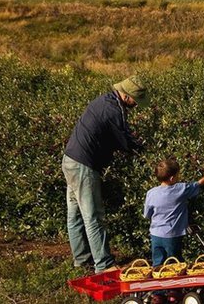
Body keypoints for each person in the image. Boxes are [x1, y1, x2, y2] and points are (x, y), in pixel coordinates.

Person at [62, 75, 147, 273]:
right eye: (136, 100)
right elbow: (125, 142)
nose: (137, 104)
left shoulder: (104, 100)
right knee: (94, 217)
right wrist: (144, 149)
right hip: (84, 165)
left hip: (70, 160)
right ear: (126, 96)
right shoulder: (113, 110)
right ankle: (104, 265)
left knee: (74, 214)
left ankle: (81, 260)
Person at [144, 158, 204, 267]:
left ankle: (159, 281)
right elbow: (199, 183)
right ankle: (178, 282)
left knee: (158, 264)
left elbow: (147, 214)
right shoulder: (181, 189)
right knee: (176, 263)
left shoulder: (151, 193)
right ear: (172, 178)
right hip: (172, 234)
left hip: (155, 234)